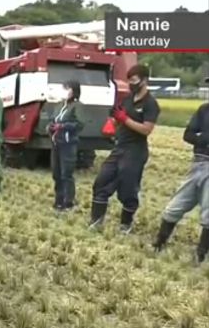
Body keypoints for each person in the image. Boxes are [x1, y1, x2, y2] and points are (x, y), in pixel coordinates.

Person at [90, 65, 161, 234]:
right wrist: (111, 123)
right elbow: (117, 119)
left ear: (144, 80)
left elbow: (146, 129)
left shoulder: (151, 104)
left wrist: (125, 119)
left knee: (127, 189)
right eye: (129, 80)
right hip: (119, 147)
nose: (131, 83)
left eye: (134, 80)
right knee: (101, 182)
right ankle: (96, 222)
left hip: (135, 151)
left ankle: (125, 225)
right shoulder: (127, 100)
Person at [152, 97, 209, 264]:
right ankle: (159, 243)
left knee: (208, 214)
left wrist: (201, 138)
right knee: (175, 206)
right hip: (197, 164)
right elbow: (188, 134)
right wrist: (204, 139)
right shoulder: (204, 109)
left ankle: (200, 254)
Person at [47, 80, 83, 211]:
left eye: (67, 88)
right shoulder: (60, 105)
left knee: (66, 174)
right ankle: (58, 200)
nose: (65, 91)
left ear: (74, 91)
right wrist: (50, 126)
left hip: (68, 144)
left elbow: (80, 124)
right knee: (56, 173)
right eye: (64, 88)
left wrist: (63, 126)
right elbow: (53, 119)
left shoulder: (78, 106)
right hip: (56, 143)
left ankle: (69, 202)